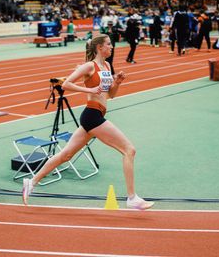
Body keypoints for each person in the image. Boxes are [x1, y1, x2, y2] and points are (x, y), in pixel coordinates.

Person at [22, 35, 154, 210]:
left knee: (66, 155)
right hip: (93, 115)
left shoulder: (107, 66)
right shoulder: (89, 66)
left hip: (95, 115)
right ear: (100, 47)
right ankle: (132, 198)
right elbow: (66, 84)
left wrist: (117, 83)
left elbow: (110, 95)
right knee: (129, 150)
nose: (112, 47)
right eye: (109, 44)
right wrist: (89, 89)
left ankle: (31, 182)